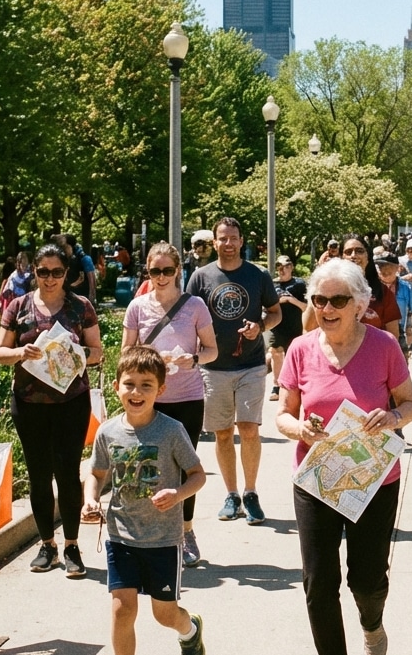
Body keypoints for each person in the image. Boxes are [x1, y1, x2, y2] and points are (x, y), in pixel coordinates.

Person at [276, 258, 412, 655]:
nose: (327, 308)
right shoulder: (300, 349)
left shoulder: (383, 346)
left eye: (338, 300)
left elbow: (411, 405)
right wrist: (300, 429)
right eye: (320, 300)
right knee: (318, 581)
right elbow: (282, 414)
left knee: (367, 579)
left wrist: (391, 418)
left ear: (359, 304)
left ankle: (371, 622)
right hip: (317, 479)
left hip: (373, 479)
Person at [84, 346, 207, 655]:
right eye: (129, 384)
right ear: (117, 387)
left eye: (146, 385)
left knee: (164, 614)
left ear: (161, 390)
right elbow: (97, 474)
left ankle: (189, 630)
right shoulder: (108, 431)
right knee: (122, 609)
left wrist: (178, 494)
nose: (136, 392)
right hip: (121, 536)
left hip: (163, 540)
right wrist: (90, 499)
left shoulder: (171, 431)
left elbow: (197, 475)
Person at [0, 243, 103, 577]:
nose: (50, 278)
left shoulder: (80, 306)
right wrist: (20, 353)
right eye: (43, 271)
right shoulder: (19, 306)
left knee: (68, 474)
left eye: (57, 272)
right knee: (39, 476)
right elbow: (0, 352)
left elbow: (97, 352)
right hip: (29, 404)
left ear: (66, 273)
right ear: (34, 272)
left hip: (71, 403)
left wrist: (73, 353)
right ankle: (47, 546)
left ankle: (71, 546)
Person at [121, 242, 218, 567]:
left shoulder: (194, 306)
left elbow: (212, 350)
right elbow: (126, 353)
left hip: (187, 398)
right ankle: (149, 534)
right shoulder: (137, 307)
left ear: (178, 271)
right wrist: (151, 358)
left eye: (167, 270)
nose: (161, 277)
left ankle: (186, 532)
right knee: (148, 468)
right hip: (148, 399)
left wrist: (192, 359)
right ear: (147, 271)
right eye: (154, 271)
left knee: (186, 470)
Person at [185, 217, 281, 525]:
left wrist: (260, 326)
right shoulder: (200, 277)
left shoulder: (258, 275)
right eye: (223, 238)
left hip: (250, 364)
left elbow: (276, 312)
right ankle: (231, 495)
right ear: (214, 242)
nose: (228, 243)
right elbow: (188, 317)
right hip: (213, 367)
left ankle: (251, 493)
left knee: (249, 429)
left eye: (233, 238)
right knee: (223, 433)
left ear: (241, 241)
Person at [267, 255, 308, 401]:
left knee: (296, 355)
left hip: (295, 325)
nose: (282, 270)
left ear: (291, 267)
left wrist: (291, 300)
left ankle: (296, 385)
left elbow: (306, 307)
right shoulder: (272, 284)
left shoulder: (299, 284)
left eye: (285, 266)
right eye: (279, 266)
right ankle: (276, 385)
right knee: (275, 352)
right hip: (277, 325)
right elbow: (265, 305)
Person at [375, 250, 412, 358]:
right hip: (376, 330)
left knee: (401, 360)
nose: (384, 269)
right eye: (381, 266)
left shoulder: (405, 287)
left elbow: (410, 309)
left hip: (398, 330)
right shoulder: (372, 288)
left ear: (397, 268)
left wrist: (409, 327)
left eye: (388, 266)